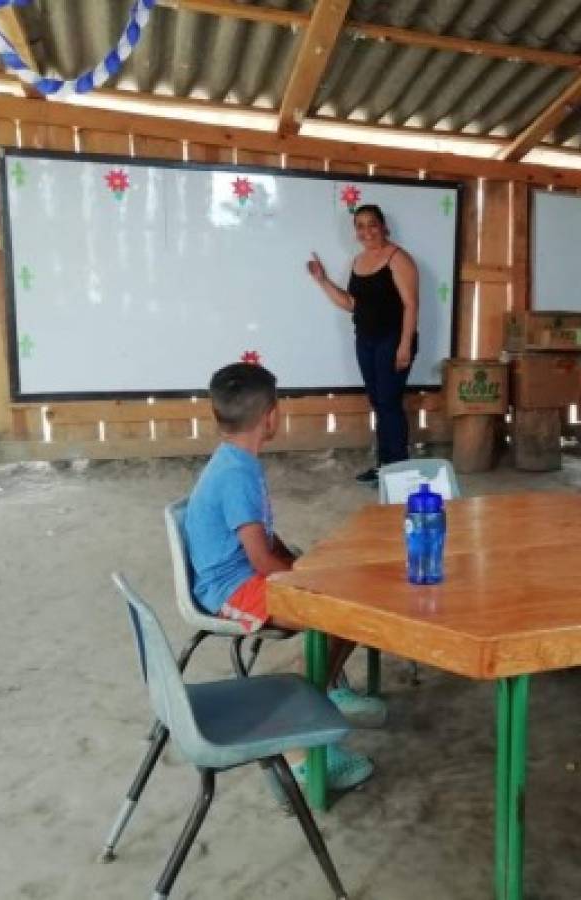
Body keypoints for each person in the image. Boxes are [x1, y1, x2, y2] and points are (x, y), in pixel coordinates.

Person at [183, 361, 381, 791]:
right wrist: (306, 585)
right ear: (272, 416)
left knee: (346, 597)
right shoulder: (236, 473)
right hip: (231, 588)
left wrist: (307, 568)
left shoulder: (238, 461)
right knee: (336, 611)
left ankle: (326, 689)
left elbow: (266, 543)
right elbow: (258, 559)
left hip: (245, 574)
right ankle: (300, 755)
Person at [307, 204, 419, 485]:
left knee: (389, 403)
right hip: (366, 340)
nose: (366, 231)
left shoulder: (398, 258)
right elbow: (350, 304)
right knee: (379, 403)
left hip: (392, 340)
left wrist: (404, 345)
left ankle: (397, 469)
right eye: (360, 226)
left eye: (372, 224)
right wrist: (322, 280)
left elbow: (411, 304)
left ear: (383, 227)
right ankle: (385, 466)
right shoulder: (358, 262)